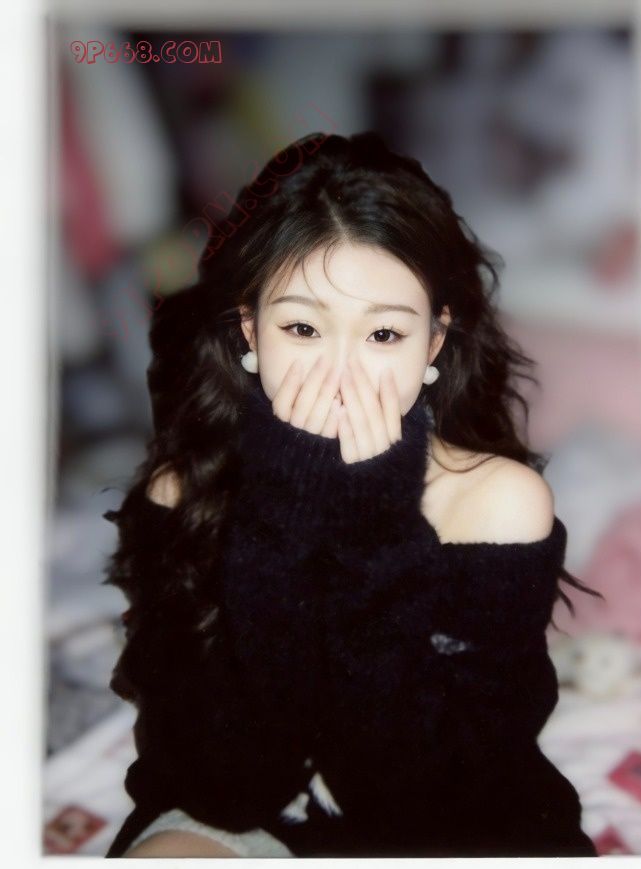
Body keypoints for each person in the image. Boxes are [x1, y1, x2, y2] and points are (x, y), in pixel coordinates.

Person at [102, 130, 602, 858]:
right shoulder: (185, 490)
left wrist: (376, 528)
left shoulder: (495, 502)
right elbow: (224, 784)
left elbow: (423, 795)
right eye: (303, 327)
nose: (341, 375)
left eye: (384, 335)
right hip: (249, 808)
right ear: (251, 332)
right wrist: (280, 512)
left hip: (446, 823)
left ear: (433, 344)